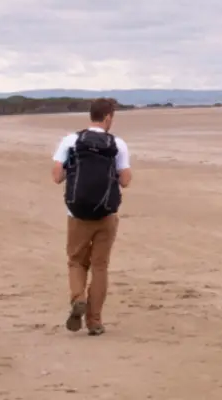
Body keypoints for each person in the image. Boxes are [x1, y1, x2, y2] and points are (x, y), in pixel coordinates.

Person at [51, 98, 132, 336]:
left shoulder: (71, 140)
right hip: (106, 214)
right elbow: (125, 180)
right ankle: (94, 321)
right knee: (100, 266)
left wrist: (75, 170)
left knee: (76, 261)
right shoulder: (117, 144)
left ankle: (78, 298)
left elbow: (56, 176)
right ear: (107, 117)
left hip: (76, 213)